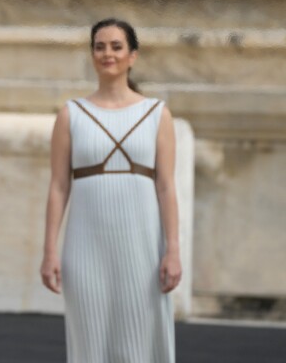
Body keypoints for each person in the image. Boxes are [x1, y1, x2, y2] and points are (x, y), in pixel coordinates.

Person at [39, 18, 182, 362]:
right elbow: (59, 186)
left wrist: (173, 250)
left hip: (143, 244)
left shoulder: (156, 114)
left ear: (132, 55)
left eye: (116, 46)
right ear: (92, 54)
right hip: (85, 244)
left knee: (139, 340)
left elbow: (166, 186)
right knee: (89, 339)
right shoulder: (71, 114)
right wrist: (49, 251)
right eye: (100, 46)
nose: (108, 54)